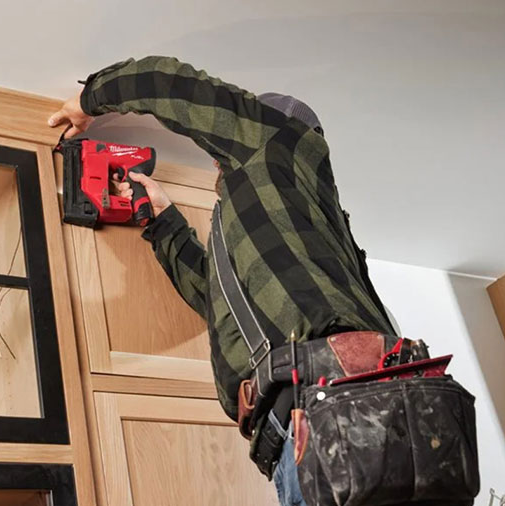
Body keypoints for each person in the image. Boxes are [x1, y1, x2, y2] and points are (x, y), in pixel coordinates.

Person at [49, 56, 397, 506]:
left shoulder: (274, 139)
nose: (216, 161)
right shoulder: (289, 227)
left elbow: (170, 83)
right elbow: (219, 303)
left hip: (331, 410)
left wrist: (89, 99)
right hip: (308, 426)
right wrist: (162, 221)